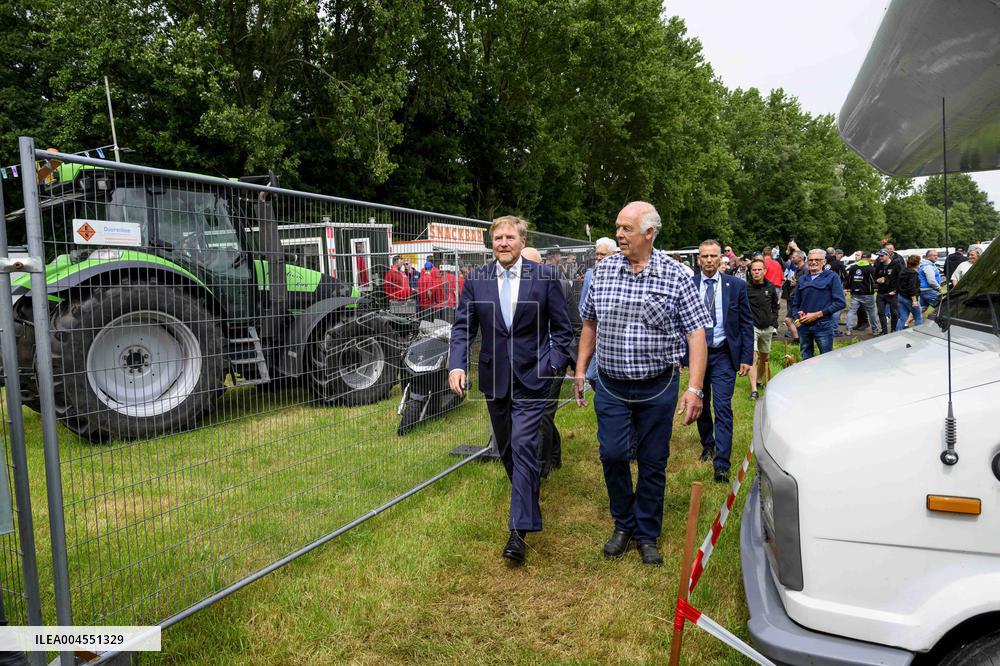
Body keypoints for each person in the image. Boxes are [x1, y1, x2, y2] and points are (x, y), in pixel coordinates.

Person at [574, 201, 710, 566]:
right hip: (612, 386)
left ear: (649, 233)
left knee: (653, 461)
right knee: (613, 454)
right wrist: (580, 369)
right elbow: (589, 323)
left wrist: (694, 388)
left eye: (626, 229)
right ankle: (623, 523)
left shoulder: (676, 275)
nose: (619, 234)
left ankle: (647, 533)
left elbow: (697, 334)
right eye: (617, 227)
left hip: (659, 387)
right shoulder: (602, 273)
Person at [448, 216, 572, 564]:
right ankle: (527, 493)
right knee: (506, 448)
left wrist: (552, 364)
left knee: (523, 446)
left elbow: (563, 331)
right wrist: (457, 364)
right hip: (495, 379)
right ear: (492, 243)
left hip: (534, 380)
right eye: (498, 238)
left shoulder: (545, 278)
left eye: (510, 237)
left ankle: (518, 531)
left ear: (521, 241)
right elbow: (463, 328)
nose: (503, 243)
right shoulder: (477, 280)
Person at [692, 240, 754, 484]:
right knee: (701, 403)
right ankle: (708, 444)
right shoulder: (690, 285)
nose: (709, 260)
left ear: (721, 259)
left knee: (723, 406)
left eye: (713, 256)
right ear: (698, 259)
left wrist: (746, 357)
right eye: (704, 256)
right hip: (698, 354)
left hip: (723, 355)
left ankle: (722, 464)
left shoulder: (735, 285)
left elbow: (746, 322)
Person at [523, 246, 578, 478]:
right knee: (534, 414)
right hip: (525, 363)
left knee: (543, 414)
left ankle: (540, 468)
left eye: (531, 265)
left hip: (552, 360)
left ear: (542, 265)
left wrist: (562, 358)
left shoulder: (561, 286)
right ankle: (554, 454)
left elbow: (574, 325)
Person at [792, 249, 846, 359]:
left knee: (826, 359)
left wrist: (817, 314)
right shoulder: (802, 279)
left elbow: (840, 303)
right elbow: (795, 303)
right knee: (806, 359)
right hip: (804, 326)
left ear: (824, 262)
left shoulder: (832, 277)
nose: (813, 262)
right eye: (811, 260)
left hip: (824, 325)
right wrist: (796, 318)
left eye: (817, 259)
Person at [579, 237, 618, 383]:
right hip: (593, 332)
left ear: (614, 254)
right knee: (590, 376)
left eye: (603, 254)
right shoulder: (590, 274)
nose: (599, 258)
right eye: (597, 255)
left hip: (612, 336)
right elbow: (582, 304)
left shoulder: (622, 274)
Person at [746, 258, 780, 401]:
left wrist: (774, 322)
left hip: (767, 326)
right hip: (752, 326)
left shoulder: (771, 287)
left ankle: (759, 380)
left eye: (759, 269)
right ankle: (754, 389)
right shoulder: (745, 287)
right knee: (752, 356)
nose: (757, 272)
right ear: (751, 271)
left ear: (765, 271)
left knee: (764, 357)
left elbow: (775, 306)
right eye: (754, 270)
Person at [844, 254, 882, 336]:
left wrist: (848, 287)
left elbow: (849, 279)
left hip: (855, 293)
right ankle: (875, 330)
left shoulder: (853, 267)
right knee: (871, 312)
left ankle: (848, 330)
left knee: (851, 311)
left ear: (862, 258)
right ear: (868, 259)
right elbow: (873, 281)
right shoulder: (870, 268)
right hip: (867, 293)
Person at [873, 249, 900, 335]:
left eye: (882, 256)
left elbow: (901, 279)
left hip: (892, 293)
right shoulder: (879, 266)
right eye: (879, 256)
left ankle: (893, 330)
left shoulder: (896, 265)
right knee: (881, 313)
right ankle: (884, 332)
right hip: (881, 293)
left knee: (894, 313)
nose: (880, 257)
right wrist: (877, 280)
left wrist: (896, 290)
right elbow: (874, 278)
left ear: (888, 256)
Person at [783, 250, 806, 342]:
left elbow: (805, 284)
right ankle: (797, 339)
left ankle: (802, 339)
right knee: (788, 320)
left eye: (794, 257)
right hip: (794, 296)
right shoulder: (798, 269)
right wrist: (794, 283)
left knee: (797, 320)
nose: (792, 259)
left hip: (800, 298)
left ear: (800, 258)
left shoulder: (806, 269)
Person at [897, 254, 923, 330]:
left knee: (903, 318)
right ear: (918, 263)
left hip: (901, 296)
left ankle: (897, 333)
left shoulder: (903, 271)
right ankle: (918, 334)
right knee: (918, 317)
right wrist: (914, 300)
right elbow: (912, 287)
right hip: (909, 298)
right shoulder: (913, 274)